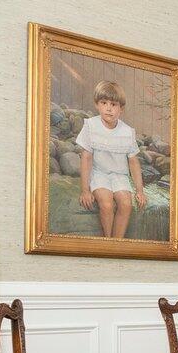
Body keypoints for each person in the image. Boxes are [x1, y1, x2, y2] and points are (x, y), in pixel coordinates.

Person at [74, 79, 148, 239]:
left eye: (113, 104)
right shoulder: (91, 126)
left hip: (119, 176)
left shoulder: (127, 132)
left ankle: (117, 241)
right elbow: (86, 159)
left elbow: (133, 162)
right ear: (97, 104)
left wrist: (139, 190)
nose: (108, 108)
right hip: (99, 173)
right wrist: (85, 190)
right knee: (106, 204)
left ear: (121, 108)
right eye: (104, 102)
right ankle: (108, 240)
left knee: (126, 204)